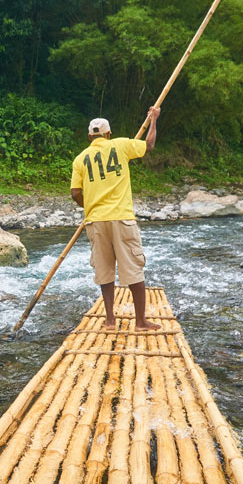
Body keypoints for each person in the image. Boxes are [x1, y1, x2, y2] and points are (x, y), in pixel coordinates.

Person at [70, 107, 161, 330]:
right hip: (121, 218)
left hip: (96, 220)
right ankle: (140, 322)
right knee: (133, 268)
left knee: (104, 270)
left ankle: (110, 320)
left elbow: (75, 192)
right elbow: (148, 145)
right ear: (108, 134)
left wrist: (88, 206)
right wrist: (154, 121)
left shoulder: (80, 159)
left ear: (90, 137)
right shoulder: (120, 145)